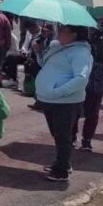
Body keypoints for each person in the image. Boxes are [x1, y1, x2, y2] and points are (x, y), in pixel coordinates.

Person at [35, 25, 93, 182]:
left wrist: (57, 92)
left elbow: (81, 79)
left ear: (74, 35)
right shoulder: (57, 46)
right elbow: (46, 64)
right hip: (49, 100)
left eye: (62, 31)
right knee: (57, 134)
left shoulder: (81, 52)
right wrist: (39, 51)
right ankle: (62, 163)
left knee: (63, 135)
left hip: (65, 102)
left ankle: (61, 170)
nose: (58, 33)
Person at [75, 28, 103, 152]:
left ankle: (87, 140)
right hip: (77, 84)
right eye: (88, 30)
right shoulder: (77, 44)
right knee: (74, 112)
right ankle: (71, 136)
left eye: (93, 30)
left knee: (92, 114)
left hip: (95, 85)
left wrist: (98, 66)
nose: (91, 32)